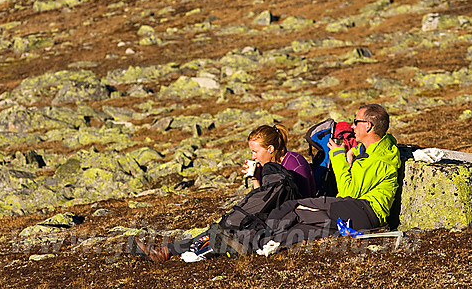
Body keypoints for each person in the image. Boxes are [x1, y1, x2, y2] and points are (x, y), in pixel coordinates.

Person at [133, 123, 314, 262]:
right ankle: (166, 251)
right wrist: (255, 177)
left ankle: (167, 251)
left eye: (255, 151)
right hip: (274, 214)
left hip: (290, 217)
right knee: (222, 229)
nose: (253, 156)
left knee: (226, 230)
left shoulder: (293, 164)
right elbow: (261, 199)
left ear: (270, 149)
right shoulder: (272, 166)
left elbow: (300, 200)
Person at [256, 103, 401, 256]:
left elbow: (348, 193)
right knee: (298, 219)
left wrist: (338, 155)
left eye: (356, 121)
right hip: (362, 211)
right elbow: (372, 149)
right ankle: (266, 239)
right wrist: (353, 150)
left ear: (368, 126)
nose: (352, 126)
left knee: (295, 210)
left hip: (364, 210)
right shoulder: (383, 147)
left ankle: (258, 236)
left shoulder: (377, 161)